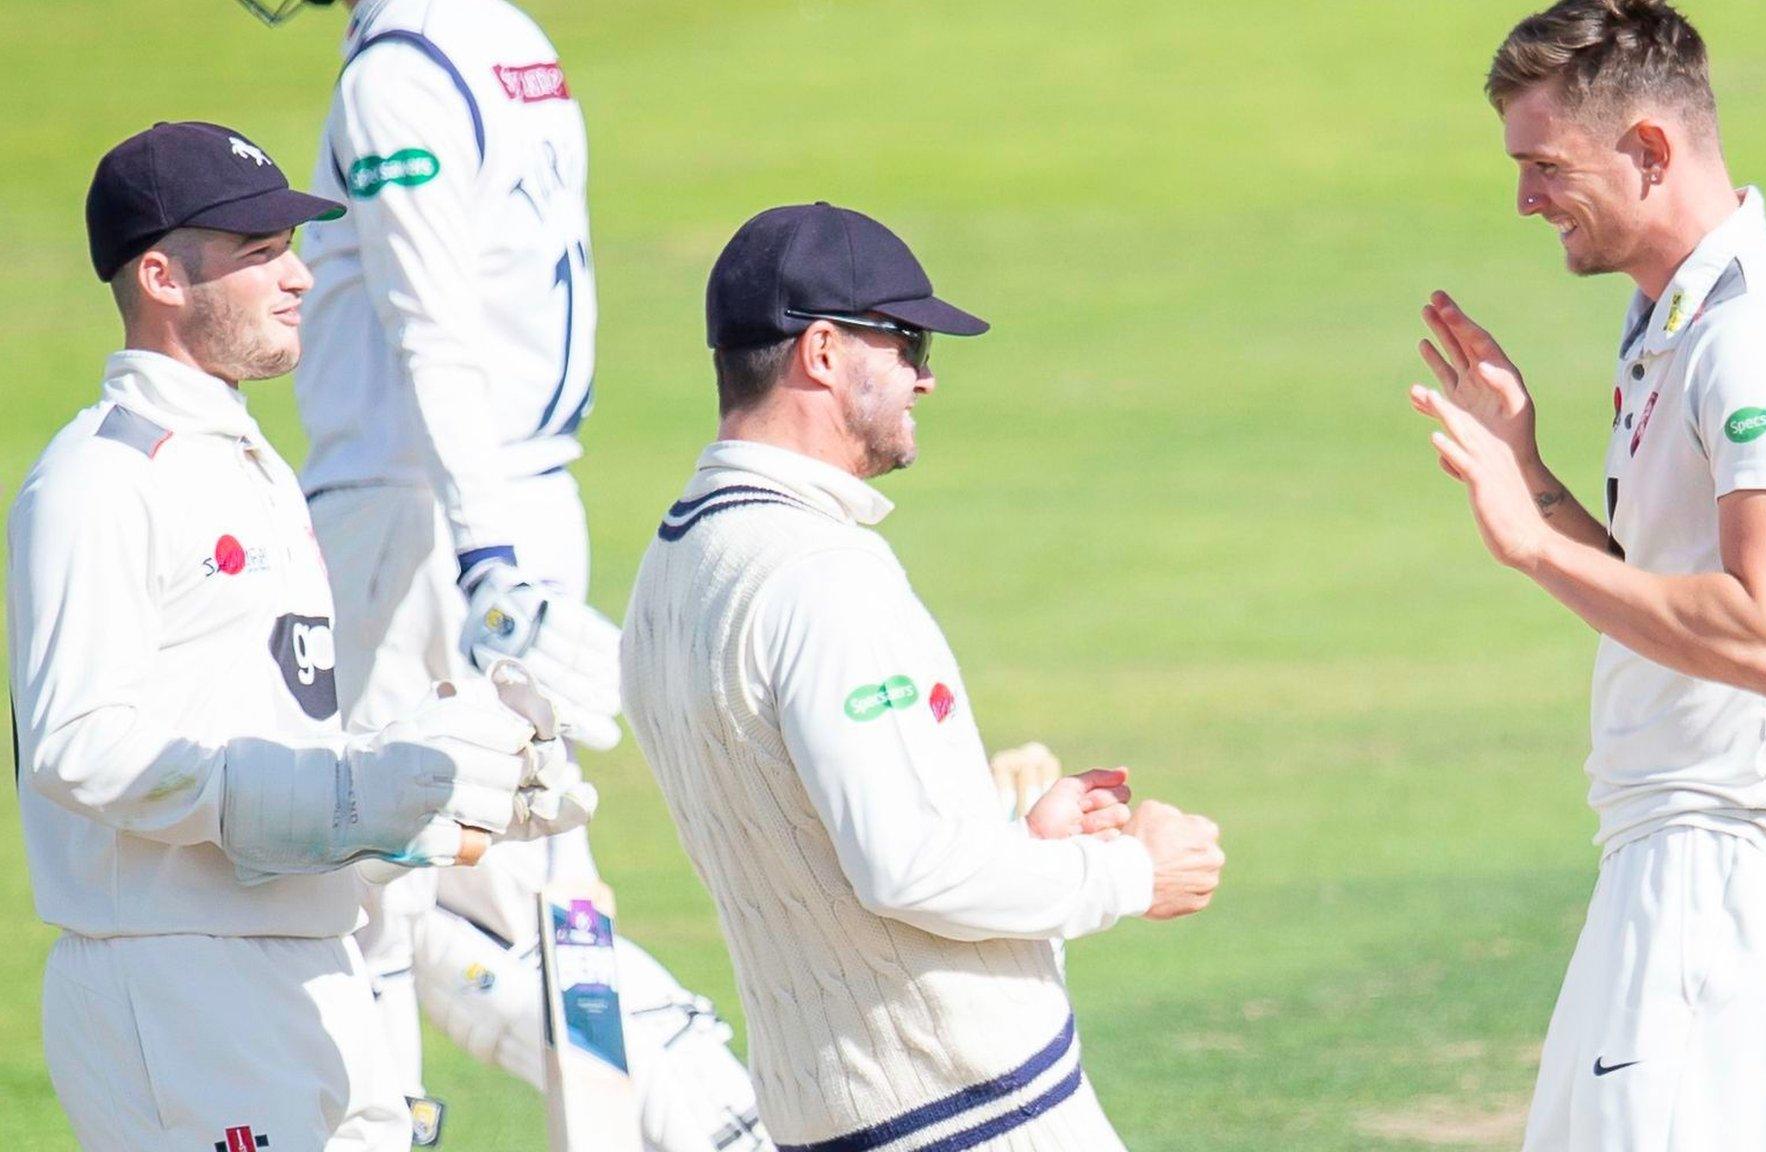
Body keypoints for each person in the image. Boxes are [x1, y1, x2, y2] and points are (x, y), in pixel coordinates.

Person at [239, 0, 766, 1144]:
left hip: (420, 515)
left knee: (364, 877)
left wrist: (486, 564)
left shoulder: (399, 74)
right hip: (522, 500)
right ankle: (711, 1118)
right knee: (531, 879)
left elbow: (432, 325)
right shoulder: (508, 36)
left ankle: (386, 1122)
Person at [12, 120, 583, 1152]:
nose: (303, 280)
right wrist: (343, 794)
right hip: (180, 981)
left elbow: (271, 740)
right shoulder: (99, 478)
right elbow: (77, 747)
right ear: (162, 277)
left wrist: (425, 798)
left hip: (310, 965)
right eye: (260, 255)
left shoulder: (252, 467)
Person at [622, 202, 1229, 1151]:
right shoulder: (819, 575)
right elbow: (907, 868)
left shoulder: (672, 569)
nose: (926, 377)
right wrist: (1127, 873)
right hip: (969, 1113)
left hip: (830, 1111)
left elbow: (824, 842)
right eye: (904, 341)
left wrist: (1019, 842)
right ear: (821, 351)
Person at [1408, 2, 1766, 1147]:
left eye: (1543, 166)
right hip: (1674, 847)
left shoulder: (1753, 337)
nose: (1522, 198)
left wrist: (1524, 544)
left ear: (1648, 149)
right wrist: (1526, 477)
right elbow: (1663, 598)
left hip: (1734, 857)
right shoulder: (1670, 321)